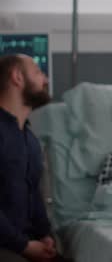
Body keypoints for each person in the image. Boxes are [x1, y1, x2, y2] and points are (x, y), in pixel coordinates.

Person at [0, 54, 59, 262]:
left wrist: (45, 235)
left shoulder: (31, 140)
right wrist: (23, 246)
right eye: (37, 72)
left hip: (26, 243)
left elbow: (33, 194)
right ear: (17, 76)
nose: (46, 80)